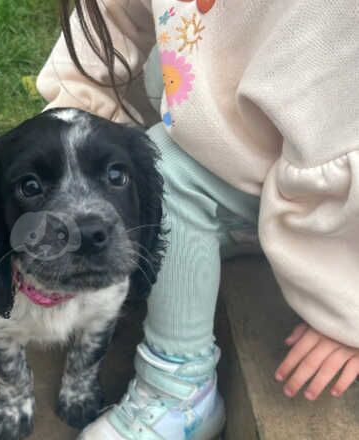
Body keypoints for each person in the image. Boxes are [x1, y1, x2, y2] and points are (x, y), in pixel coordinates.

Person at [36, 1, 359, 438]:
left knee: (165, 172)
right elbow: (113, 19)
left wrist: (346, 297)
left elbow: (341, 121)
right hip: (229, 123)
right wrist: (67, 133)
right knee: (159, 165)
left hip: (330, 151)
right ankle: (221, 231)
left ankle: (180, 393)